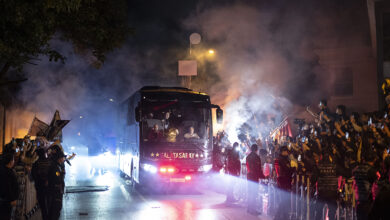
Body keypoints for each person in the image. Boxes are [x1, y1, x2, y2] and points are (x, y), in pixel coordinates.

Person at [353, 152, 377, 220]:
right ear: (374, 160)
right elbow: (375, 186)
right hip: (368, 203)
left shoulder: (357, 169)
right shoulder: (372, 171)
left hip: (359, 201)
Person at [274, 146, 295, 220]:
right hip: (283, 181)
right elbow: (286, 170)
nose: (287, 153)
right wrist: (294, 169)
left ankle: (281, 217)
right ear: (283, 151)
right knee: (284, 201)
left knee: (284, 201)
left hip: (283, 181)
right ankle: (279, 217)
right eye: (286, 151)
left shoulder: (281, 159)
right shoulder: (281, 160)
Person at [32, 148, 51, 220]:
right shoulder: (49, 162)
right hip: (49, 187)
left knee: (43, 205)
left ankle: (45, 218)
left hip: (40, 187)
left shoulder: (36, 163)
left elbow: (33, 176)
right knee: (49, 204)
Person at [47, 148, 66, 220]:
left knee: (55, 209)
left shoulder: (58, 166)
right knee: (55, 209)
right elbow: (57, 177)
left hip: (57, 190)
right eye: (63, 158)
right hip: (55, 191)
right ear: (59, 158)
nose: (63, 159)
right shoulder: (55, 167)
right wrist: (62, 173)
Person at [246, 144, 264, 215]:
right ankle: (253, 210)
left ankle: (249, 208)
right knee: (254, 193)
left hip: (249, 175)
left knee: (250, 192)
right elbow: (258, 169)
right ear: (256, 150)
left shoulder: (248, 157)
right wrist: (262, 176)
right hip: (254, 176)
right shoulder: (257, 157)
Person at [0, 153, 19, 220]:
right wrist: (12, 199)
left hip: (5, 199)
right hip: (8, 200)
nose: (14, 161)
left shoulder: (4, 170)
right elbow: (8, 186)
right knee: (6, 216)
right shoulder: (7, 172)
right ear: (10, 161)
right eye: (13, 159)